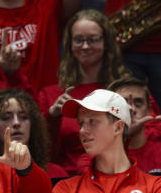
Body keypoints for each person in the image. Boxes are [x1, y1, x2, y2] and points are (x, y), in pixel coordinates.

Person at [37, 9, 131, 174]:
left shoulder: (125, 91)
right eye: (78, 40)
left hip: (115, 175)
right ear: (70, 45)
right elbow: (41, 153)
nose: (85, 46)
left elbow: (148, 141)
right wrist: (52, 119)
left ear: (106, 42)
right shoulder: (50, 95)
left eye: (93, 40)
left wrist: (130, 128)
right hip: (67, 179)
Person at [106, 77, 161, 181]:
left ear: (149, 110)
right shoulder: (99, 158)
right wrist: (125, 135)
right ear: (108, 111)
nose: (132, 109)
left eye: (138, 102)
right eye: (123, 103)